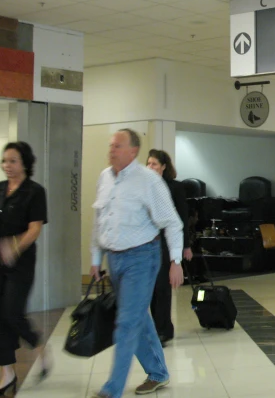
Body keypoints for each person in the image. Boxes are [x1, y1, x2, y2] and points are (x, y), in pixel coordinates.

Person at [90, 129, 184, 398]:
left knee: (128, 322)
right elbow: (99, 220)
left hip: (142, 257)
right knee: (138, 317)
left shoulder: (149, 181)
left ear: (133, 152)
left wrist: (176, 261)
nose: (111, 150)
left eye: (117, 146)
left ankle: (113, 389)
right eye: (110, 145)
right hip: (114, 257)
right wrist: (96, 258)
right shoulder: (104, 178)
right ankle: (158, 372)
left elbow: (172, 222)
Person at [0, 142, 52, 398]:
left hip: (20, 263)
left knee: (12, 312)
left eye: (13, 161)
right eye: (5, 161)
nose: (7, 166)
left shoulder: (35, 191)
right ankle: (6, 373)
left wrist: (15, 248)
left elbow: (35, 228)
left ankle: (39, 347)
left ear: (25, 163)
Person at [146, 149, 194, 346]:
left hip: (168, 243)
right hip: (150, 242)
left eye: (154, 164)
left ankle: (163, 329)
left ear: (164, 166)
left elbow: (181, 218)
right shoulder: (145, 186)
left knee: (162, 287)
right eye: (148, 163)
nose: (150, 167)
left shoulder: (175, 187)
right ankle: (158, 327)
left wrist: (185, 246)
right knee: (152, 289)